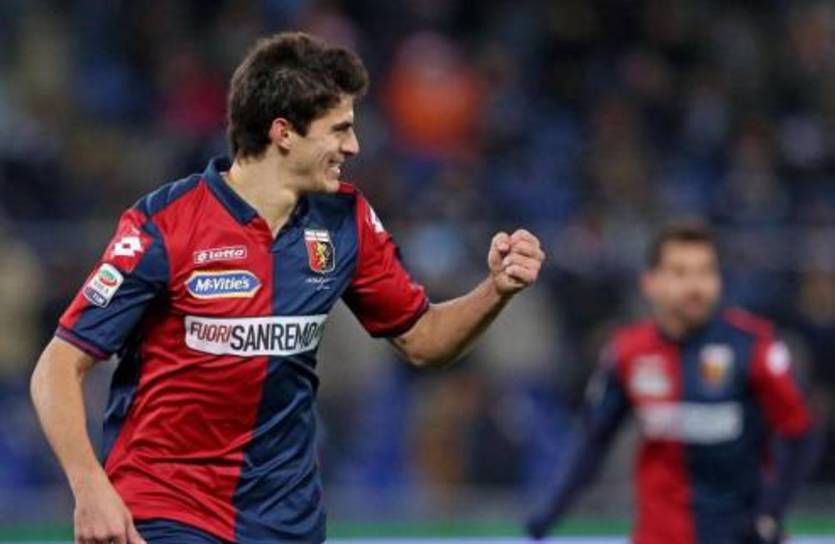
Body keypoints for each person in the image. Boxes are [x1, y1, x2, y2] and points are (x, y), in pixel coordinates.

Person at [30, 32, 545, 544]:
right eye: (339, 129)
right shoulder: (165, 225)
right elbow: (57, 366)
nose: (353, 146)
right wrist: (89, 486)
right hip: (167, 514)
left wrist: (496, 290)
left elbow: (422, 339)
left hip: (287, 524)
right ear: (284, 133)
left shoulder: (345, 220)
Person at [526, 223, 813, 544]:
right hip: (659, 536)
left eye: (706, 272)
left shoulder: (754, 346)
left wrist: (770, 512)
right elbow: (593, 440)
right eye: (680, 273)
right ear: (650, 283)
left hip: (740, 536)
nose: (695, 286)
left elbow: (798, 432)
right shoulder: (628, 352)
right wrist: (548, 514)